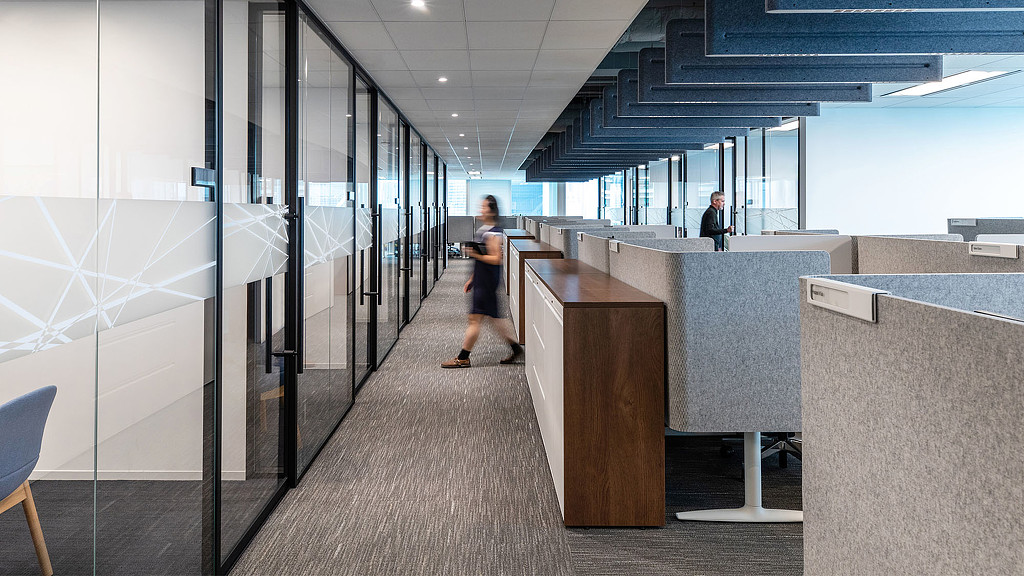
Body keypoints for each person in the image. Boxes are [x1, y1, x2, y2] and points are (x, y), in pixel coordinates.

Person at [441, 195, 523, 368]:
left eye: (484, 207)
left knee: (474, 319)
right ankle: (515, 348)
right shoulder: (486, 229)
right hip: (482, 280)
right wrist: (472, 278)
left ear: (492, 210)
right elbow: (482, 260)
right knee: (495, 318)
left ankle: (463, 357)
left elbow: (495, 259)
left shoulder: (494, 233)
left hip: (486, 283)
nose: (480, 209)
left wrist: (475, 254)